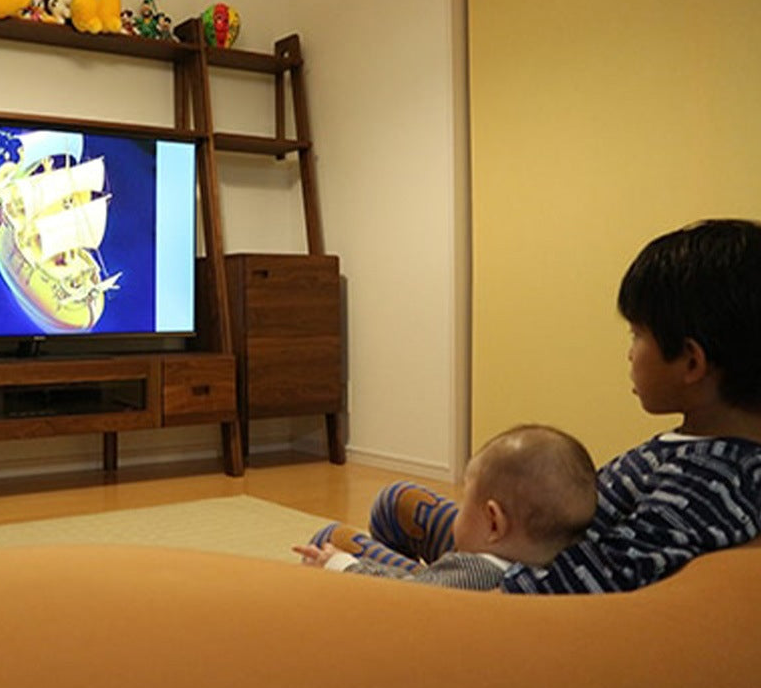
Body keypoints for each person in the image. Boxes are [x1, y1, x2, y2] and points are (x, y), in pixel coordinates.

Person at [303, 218, 761, 595]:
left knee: (331, 543)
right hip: (528, 541)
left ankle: (391, 610)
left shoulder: (709, 484)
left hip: (514, 582)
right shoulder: (703, 446)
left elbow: (586, 590)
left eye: (637, 335)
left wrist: (372, 573)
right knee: (396, 502)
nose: (629, 352)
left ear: (691, 362)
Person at [293, 424, 598, 589]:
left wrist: (342, 565)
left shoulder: (475, 573)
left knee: (326, 541)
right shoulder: (551, 566)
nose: (458, 509)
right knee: (394, 501)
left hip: (407, 606)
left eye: (465, 501)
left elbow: (410, 597)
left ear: (494, 523)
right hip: (431, 584)